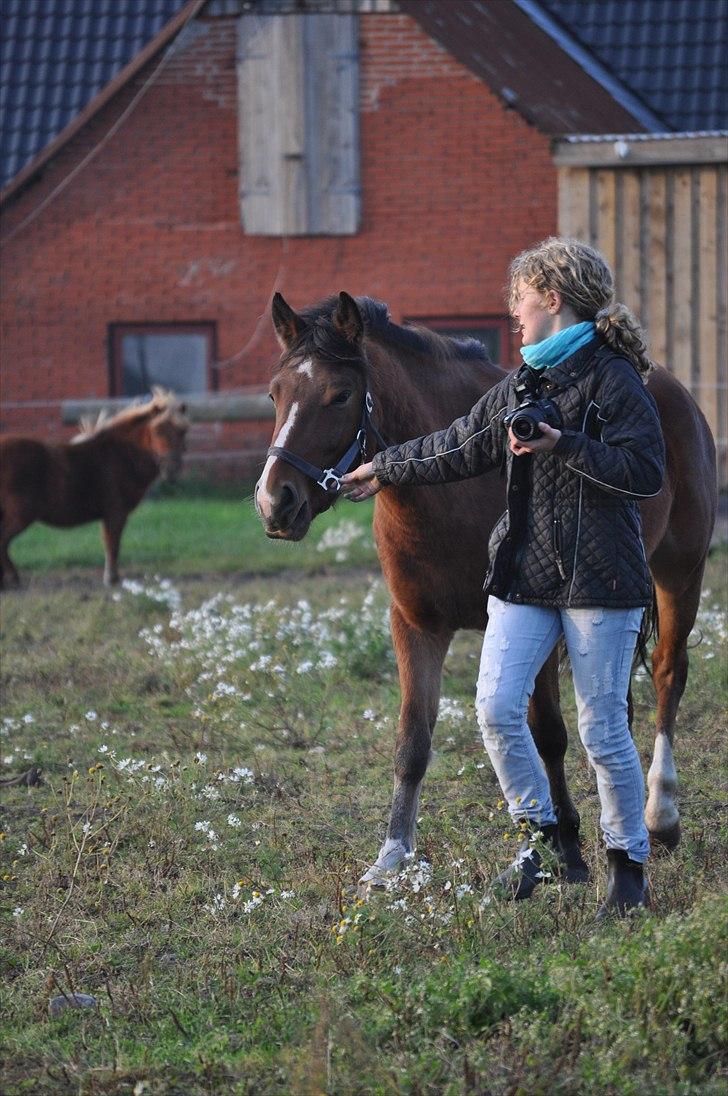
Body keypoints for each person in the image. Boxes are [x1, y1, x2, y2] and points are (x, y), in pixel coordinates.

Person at [342, 237, 665, 918]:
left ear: (552, 298)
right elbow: (458, 443)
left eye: (519, 297)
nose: (512, 312)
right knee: (494, 709)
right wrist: (384, 468)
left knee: (604, 732)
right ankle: (544, 839)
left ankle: (627, 869)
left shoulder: (615, 378)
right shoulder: (519, 384)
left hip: (600, 578)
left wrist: (565, 445)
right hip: (524, 573)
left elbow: (645, 472)